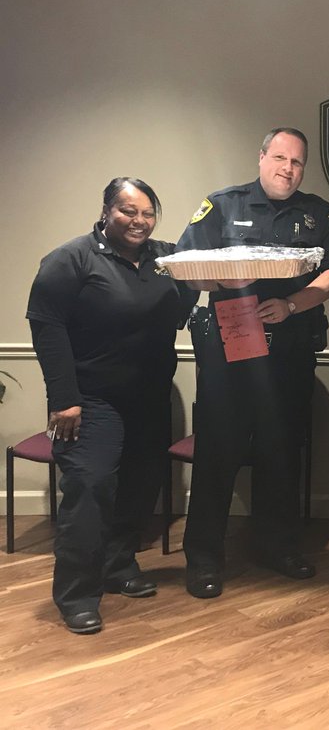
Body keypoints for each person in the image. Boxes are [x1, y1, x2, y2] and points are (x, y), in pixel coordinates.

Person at [178, 128, 329, 599]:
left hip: (290, 347)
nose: (287, 169)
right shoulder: (222, 205)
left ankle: (278, 547)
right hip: (231, 345)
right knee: (218, 450)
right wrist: (225, 281)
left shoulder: (317, 214)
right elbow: (186, 267)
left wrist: (292, 304)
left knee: (282, 449)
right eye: (279, 158)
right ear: (261, 157)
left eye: (297, 162)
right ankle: (204, 558)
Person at [27, 178, 196, 633]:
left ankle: (119, 566)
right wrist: (64, 399)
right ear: (106, 211)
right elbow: (46, 326)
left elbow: (189, 293)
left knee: (139, 485)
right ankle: (77, 594)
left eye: (148, 213)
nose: (139, 221)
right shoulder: (72, 259)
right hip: (89, 399)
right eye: (128, 211)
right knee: (90, 486)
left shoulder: (166, 258)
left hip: (149, 396)